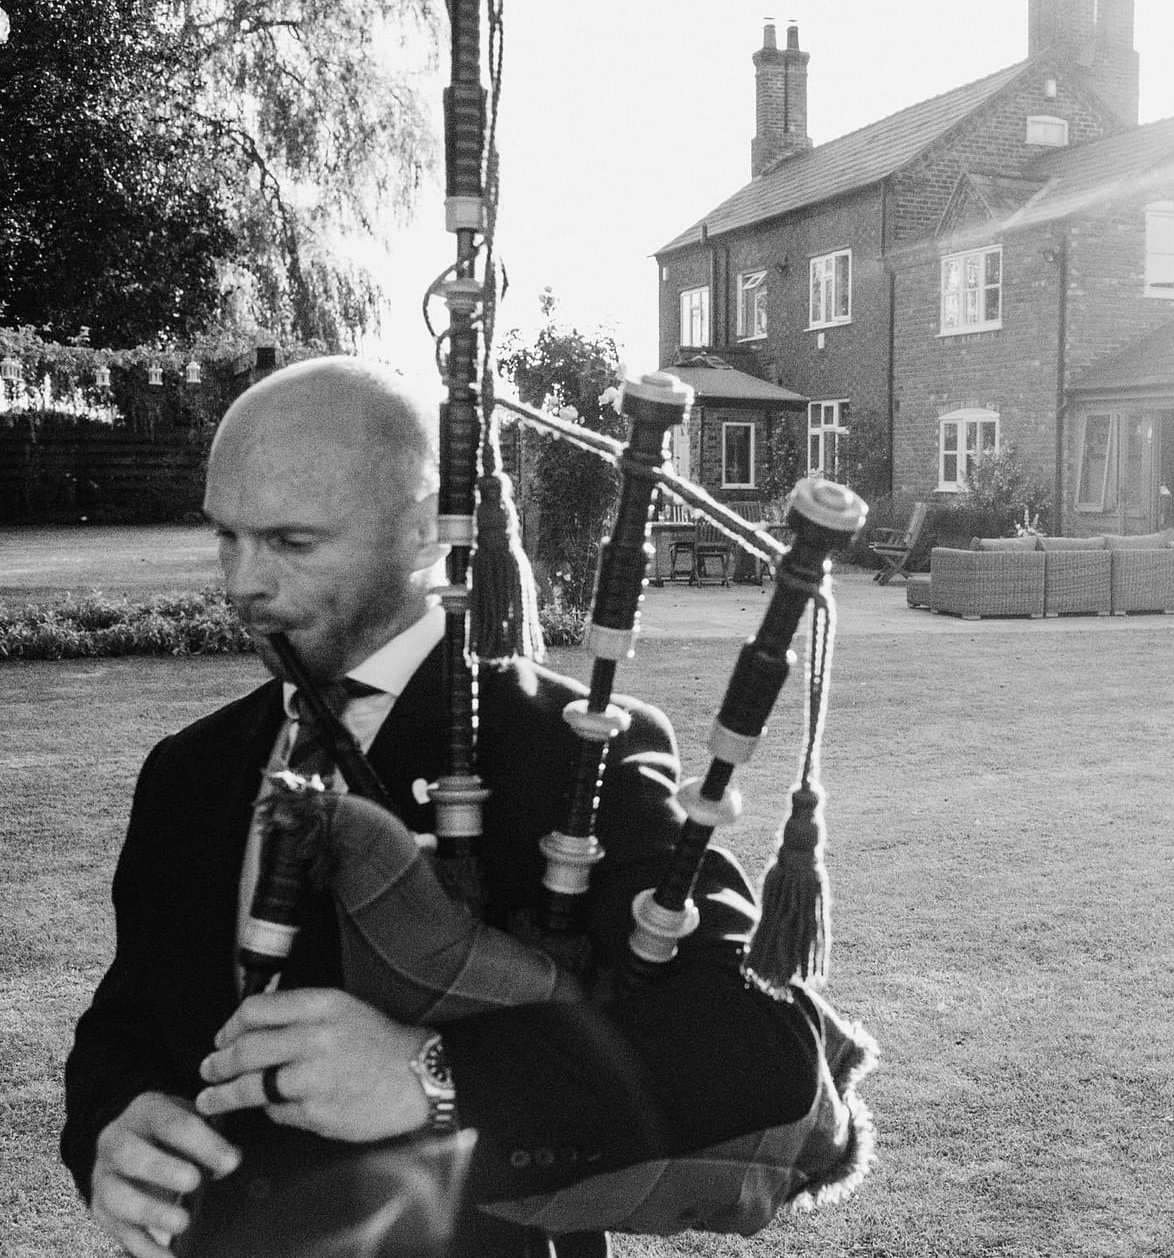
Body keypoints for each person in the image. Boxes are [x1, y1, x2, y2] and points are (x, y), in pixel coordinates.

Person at [62, 357, 823, 1258]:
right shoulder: (189, 769)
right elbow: (127, 1022)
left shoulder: (568, 745)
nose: (242, 585)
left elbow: (760, 1050)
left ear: (425, 531)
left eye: (292, 542)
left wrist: (432, 1077)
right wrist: (110, 1127)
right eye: (226, 536)